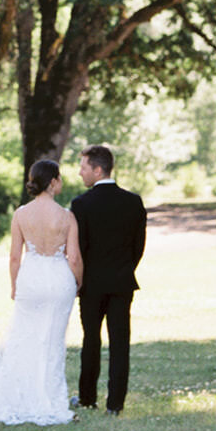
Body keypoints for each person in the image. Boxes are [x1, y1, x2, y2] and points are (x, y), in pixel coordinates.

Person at [0, 159, 83, 426]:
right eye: (59, 178)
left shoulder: (21, 215)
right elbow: (74, 258)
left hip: (31, 278)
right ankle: (49, 399)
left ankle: (19, 398)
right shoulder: (67, 216)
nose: (61, 182)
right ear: (52, 182)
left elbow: (15, 257)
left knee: (24, 336)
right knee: (52, 341)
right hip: (59, 279)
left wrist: (15, 284)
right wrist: (78, 282)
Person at [71, 143, 146, 416]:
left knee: (91, 340)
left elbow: (79, 248)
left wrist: (80, 280)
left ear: (98, 169)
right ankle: (115, 404)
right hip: (122, 282)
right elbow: (139, 246)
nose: (80, 173)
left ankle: (88, 398)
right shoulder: (133, 202)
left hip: (91, 285)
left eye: (83, 167)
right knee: (120, 343)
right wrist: (124, 268)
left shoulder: (81, 204)